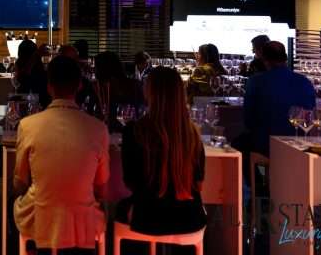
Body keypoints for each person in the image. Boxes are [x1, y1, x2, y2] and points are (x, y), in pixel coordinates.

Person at [14, 55, 109, 252]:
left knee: (14, 202)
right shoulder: (98, 129)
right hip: (83, 219)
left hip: (40, 216)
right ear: (80, 85)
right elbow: (101, 187)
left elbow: (20, 181)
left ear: (49, 87)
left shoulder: (28, 125)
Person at [117, 66, 207, 236]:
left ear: (149, 93)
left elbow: (130, 182)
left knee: (118, 209)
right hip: (190, 218)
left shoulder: (134, 131)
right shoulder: (192, 134)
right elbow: (199, 184)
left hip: (147, 217)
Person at [242, 41, 316, 157]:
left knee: (236, 143)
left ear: (263, 59)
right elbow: (311, 114)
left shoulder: (256, 81)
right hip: (299, 145)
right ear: (285, 58)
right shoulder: (304, 81)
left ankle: (255, 169)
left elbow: (248, 120)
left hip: (265, 145)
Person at [93, 51, 144, 131]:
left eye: (96, 68)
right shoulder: (100, 91)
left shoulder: (136, 87)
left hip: (134, 133)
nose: (94, 71)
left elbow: (143, 113)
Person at [14, 39, 49, 106]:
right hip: (35, 100)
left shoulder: (20, 63)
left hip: (27, 100)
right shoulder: (33, 63)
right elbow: (23, 77)